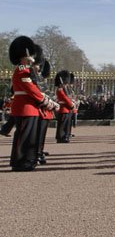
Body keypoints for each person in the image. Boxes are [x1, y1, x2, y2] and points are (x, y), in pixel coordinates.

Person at [8, 36, 56, 171]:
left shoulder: (26, 70)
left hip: (31, 108)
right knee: (23, 136)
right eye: (31, 56)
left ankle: (28, 160)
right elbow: (31, 89)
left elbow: (35, 89)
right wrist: (44, 101)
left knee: (29, 137)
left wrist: (44, 100)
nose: (34, 59)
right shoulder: (22, 70)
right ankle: (20, 162)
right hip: (25, 108)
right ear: (25, 55)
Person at [55, 70, 75, 143]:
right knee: (62, 125)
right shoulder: (60, 89)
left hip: (67, 108)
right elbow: (65, 98)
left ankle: (65, 136)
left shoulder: (66, 89)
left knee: (66, 124)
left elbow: (68, 98)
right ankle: (60, 137)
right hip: (63, 108)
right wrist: (71, 105)